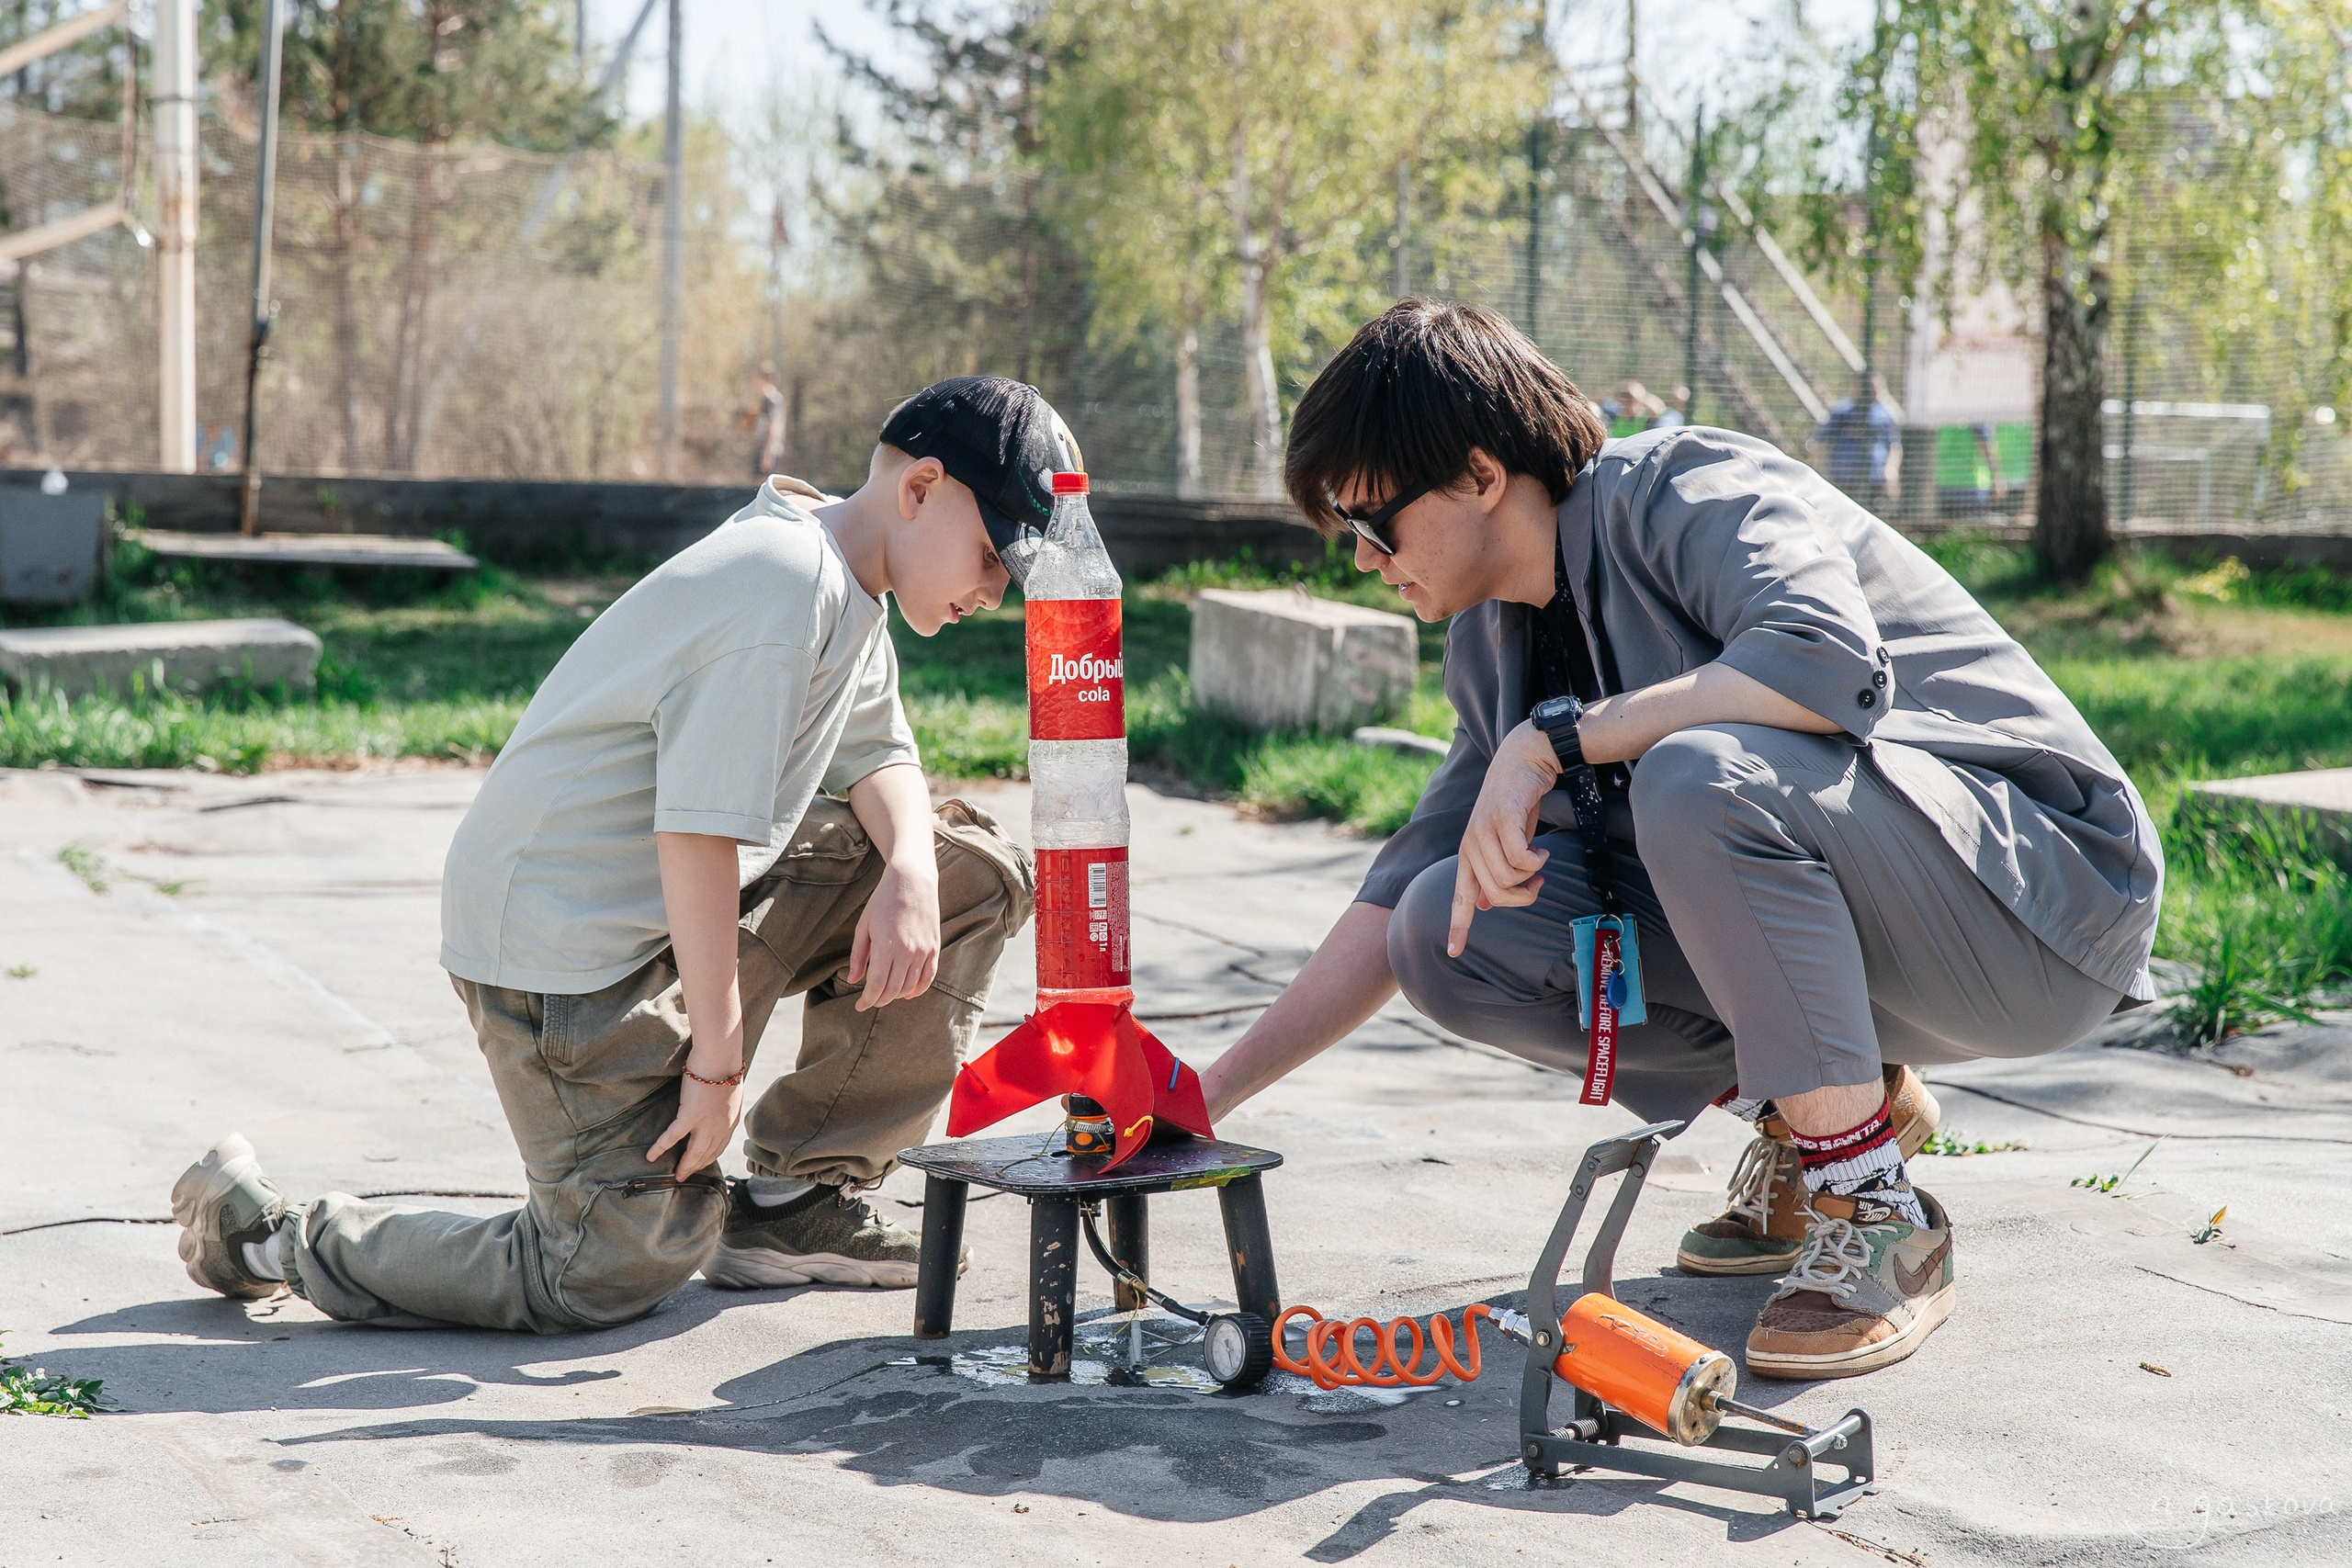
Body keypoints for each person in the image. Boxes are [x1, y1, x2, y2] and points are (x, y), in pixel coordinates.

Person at [1200, 301, 2160, 1380]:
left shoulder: (1684, 485)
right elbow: (1393, 900)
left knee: (1698, 777)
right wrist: (1202, 1100)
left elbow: (1823, 662)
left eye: (1374, 525)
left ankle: (1880, 1214)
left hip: (2040, 903)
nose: (1367, 561)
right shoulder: (1493, 635)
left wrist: (1560, 737)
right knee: (1446, 926)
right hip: (1908, 933)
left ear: (1477, 475)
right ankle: (1835, 1114)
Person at [168, 378, 1082, 1332]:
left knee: (966, 870)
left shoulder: (848, 581)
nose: (992, 592)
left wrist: (908, 874)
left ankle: (792, 1207)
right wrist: (718, 1073)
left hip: (660, 923)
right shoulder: (780, 583)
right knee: (604, 1267)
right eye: (990, 558)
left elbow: (878, 751)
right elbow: (696, 839)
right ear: (920, 488)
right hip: (561, 967)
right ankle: (267, 1234)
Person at [1815, 393, 1902, 502]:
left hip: (1876, 480)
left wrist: (1891, 470)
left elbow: (1895, 446)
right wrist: (1821, 470)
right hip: (1844, 479)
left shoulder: (1884, 413)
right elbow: (1821, 440)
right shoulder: (1842, 410)